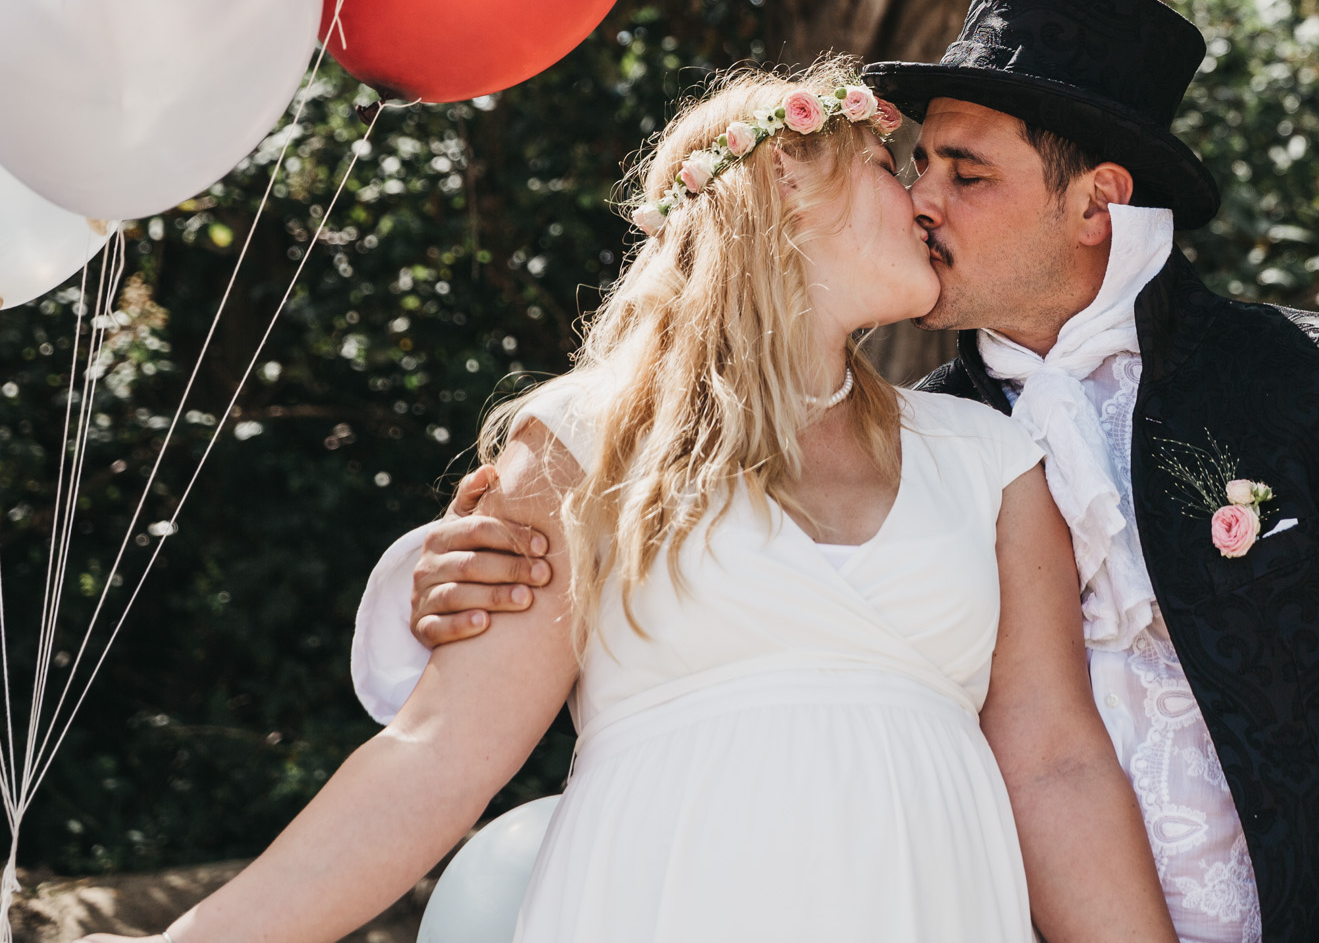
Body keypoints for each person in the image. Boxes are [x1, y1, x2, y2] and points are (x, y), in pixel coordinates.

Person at [369, 0, 1319, 942]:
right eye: (915, 162)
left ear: (1094, 202)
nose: (920, 195)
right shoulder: (926, 450)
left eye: (965, 170)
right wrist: (487, 569)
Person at [86, 57, 1178, 943]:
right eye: (893, 167)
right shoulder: (584, 444)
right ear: (792, 194)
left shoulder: (986, 457)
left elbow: (1056, 761)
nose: (926, 203)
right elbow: (440, 756)